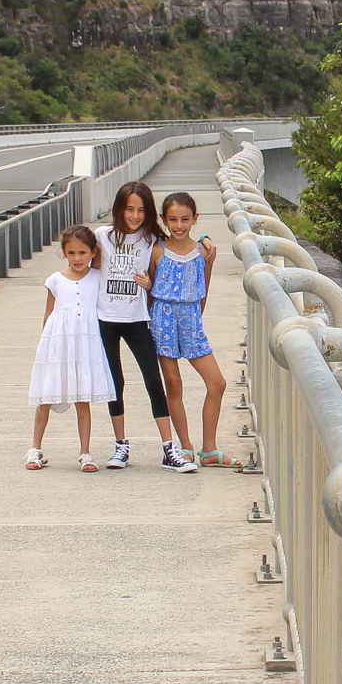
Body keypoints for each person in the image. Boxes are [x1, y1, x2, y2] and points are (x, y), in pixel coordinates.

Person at [93, 181, 195, 472]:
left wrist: (207, 242)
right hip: (106, 317)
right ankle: (120, 446)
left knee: (154, 381)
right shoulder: (103, 236)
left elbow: (180, 241)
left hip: (138, 318)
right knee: (116, 383)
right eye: (129, 209)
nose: (135, 216)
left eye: (140, 210)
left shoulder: (151, 239)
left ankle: (168, 449)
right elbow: (77, 252)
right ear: (119, 209)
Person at [27, 226, 116, 473]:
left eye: (82, 252)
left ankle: (85, 452)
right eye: (72, 253)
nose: (77, 258)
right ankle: (35, 448)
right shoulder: (55, 280)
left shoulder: (98, 278)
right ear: (65, 253)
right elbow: (49, 313)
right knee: (46, 396)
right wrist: (45, 346)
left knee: (82, 398)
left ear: (92, 252)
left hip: (84, 345)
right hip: (58, 344)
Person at [151, 192, 228, 468]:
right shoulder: (157, 250)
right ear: (164, 220)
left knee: (217, 383)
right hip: (164, 321)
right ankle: (185, 446)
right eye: (173, 219)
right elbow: (150, 289)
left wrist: (197, 320)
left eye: (185, 219)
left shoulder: (204, 251)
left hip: (192, 322)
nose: (179, 225)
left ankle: (210, 448)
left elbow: (204, 289)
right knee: (174, 384)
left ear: (195, 219)